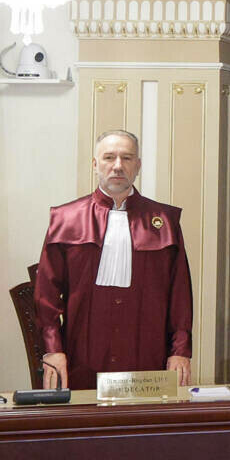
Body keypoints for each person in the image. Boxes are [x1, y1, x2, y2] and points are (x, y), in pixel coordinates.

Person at [34, 130, 193, 390]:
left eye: (127, 158)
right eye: (109, 157)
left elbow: (180, 295)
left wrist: (180, 350)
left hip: (147, 357)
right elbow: (46, 295)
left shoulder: (165, 221)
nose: (118, 166)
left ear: (138, 166)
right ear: (95, 164)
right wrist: (52, 349)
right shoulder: (66, 219)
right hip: (81, 356)